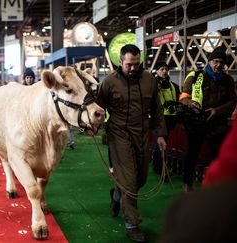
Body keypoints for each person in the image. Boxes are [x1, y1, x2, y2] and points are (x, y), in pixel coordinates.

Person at [96, 44, 167, 242]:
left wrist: (160, 134)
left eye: (137, 64)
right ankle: (131, 224)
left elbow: (157, 109)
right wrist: (92, 125)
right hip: (118, 135)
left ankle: (116, 196)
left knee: (140, 179)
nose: (133, 68)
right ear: (120, 62)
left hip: (142, 135)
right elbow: (98, 109)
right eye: (129, 65)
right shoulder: (109, 82)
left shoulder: (149, 80)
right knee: (129, 181)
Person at [179, 46, 236, 192]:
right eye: (215, 62)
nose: (218, 65)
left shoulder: (228, 81)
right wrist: (191, 103)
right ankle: (187, 184)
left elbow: (232, 102)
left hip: (218, 125)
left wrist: (216, 111)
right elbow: (184, 97)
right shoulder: (196, 75)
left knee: (218, 157)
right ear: (209, 61)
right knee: (192, 154)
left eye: (221, 63)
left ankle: (218, 186)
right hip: (196, 122)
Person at [152, 62, 181, 174]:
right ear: (157, 71)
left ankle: (158, 166)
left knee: (162, 143)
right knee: (161, 143)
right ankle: (160, 168)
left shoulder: (174, 86)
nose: (164, 71)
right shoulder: (153, 85)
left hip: (171, 118)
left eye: (166, 69)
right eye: (161, 69)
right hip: (159, 118)